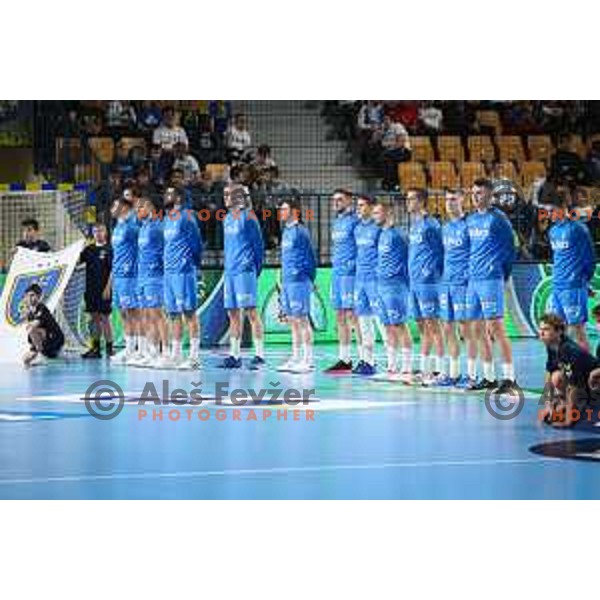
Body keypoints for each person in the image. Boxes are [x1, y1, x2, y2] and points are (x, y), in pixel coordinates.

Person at [465, 178, 517, 393]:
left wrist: (500, 275)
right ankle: (488, 376)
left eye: (479, 192)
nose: (475, 196)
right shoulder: (471, 219)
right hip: (473, 280)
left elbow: (510, 249)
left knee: (496, 327)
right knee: (476, 329)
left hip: (491, 279)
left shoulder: (498, 219)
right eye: (473, 192)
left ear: (489, 195)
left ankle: (509, 378)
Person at [221, 184, 265, 369]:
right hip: (230, 271)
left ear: (237, 196)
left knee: (251, 312)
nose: (225, 198)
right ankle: (235, 355)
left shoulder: (249, 217)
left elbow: (259, 246)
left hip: (244, 271)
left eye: (228, 194)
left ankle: (259, 355)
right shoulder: (227, 218)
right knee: (232, 313)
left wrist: (254, 269)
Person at [546, 187, 595, 351]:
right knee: (559, 332)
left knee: (578, 332)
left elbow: (589, 259)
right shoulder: (552, 231)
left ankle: (589, 373)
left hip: (573, 286)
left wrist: (583, 282)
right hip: (557, 287)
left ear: (562, 208)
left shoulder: (578, 229)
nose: (549, 214)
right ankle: (566, 370)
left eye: (551, 210)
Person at [406, 189, 445, 386]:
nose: (408, 202)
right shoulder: (414, 225)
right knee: (422, 326)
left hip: (428, 283)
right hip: (414, 282)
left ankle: (440, 370)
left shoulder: (431, 225)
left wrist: (431, 273)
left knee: (433, 325)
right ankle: (425, 367)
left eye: (411, 199)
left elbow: (440, 252)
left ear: (421, 202)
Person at [371, 200, 412, 380]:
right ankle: (392, 366)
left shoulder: (398, 235)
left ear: (388, 213)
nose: (374, 217)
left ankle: (407, 368)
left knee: (399, 325)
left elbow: (408, 259)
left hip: (395, 286)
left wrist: (402, 281)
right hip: (381, 285)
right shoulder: (381, 235)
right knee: (387, 326)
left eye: (377, 213)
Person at [439, 189, 476, 387]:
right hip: (446, 284)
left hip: (463, 285)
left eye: (453, 199)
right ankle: (453, 373)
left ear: (463, 201)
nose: (450, 203)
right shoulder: (445, 228)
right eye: (447, 199)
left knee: (466, 329)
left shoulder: (469, 226)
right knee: (447, 327)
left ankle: (470, 374)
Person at [163, 187, 203, 369]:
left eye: (169, 193)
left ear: (178, 198)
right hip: (169, 272)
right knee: (173, 314)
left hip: (184, 271)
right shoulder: (167, 218)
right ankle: (176, 354)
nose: (165, 196)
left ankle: (194, 357)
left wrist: (191, 264)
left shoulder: (187, 216)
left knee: (189, 313)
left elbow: (196, 243)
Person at [277, 198, 317, 373]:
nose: (281, 212)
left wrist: (307, 278)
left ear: (294, 211)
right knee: (292, 320)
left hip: (299, 281)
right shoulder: (285, 232)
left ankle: (308, 360)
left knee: (302, 319)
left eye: (284, 209)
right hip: (287, 281)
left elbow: (310, 257)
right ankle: (295, 357)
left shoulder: (301, 232)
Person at [539, 313, 600, 428]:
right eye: (541, 329)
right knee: (556, 376)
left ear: (559, 332)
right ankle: (569, 403)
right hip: (581, 381)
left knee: (562, 381)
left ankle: (584, 403)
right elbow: (549, 373)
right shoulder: (552, 345)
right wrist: (548, 405)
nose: (541, 333)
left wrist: (568, 420)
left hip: (593, 383)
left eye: (546, 329)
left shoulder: (568, 350)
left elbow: (573, 386)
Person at [324, 189, 360, 373]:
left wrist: (353, 265)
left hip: (350, 274)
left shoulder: (355, 221)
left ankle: (364, 358)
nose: (336, 203)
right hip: (337, 273)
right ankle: (344, 359)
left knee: (353, 316)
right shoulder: (337, 222)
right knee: (339, 315)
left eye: (340, 199)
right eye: (334, 200)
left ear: (349, 201)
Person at [135, 196, 168, 367]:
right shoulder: (143, 227)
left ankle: (166, 353)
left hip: (155, 277)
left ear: (150, 207)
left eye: (140, 207)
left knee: (158, 315)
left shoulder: (158, 228)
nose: (137, 210)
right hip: (142, 276)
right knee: (146, 316)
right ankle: (152, 351)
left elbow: (166, 252)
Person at [352, 195, 382, 376]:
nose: (358, 208)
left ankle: (394, 363)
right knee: (363, 322)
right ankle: (367, 361)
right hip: (360, 280)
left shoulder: (378, 229)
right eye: (357, 205)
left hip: (374, 281)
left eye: (362, 205)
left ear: (371, 208)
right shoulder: (357, 229)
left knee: (381, 320)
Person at [109, 194, 140, 364]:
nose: (112, 209)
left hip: (130, 275)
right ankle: (128, 349)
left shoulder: (132, 225)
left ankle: (139, 350)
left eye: (115, 206)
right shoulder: (118, 226)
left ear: (124, 208)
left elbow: (142, 247)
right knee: (123, 313)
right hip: (119, 275)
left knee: (133, 312)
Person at [80, 223, 113, 358]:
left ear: (105, 232)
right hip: (90, 290)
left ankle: (110, 348)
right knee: (93, 319)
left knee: (104, 318)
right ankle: (96, 348)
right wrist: (79, 248)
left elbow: (113, 271)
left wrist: (108, 288)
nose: (98, 233)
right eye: (95, 231)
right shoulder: (88, 250)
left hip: (103, 289)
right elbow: (77, 262)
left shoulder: (110, 249)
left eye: (100, 230)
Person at [22, 283, 65, 368]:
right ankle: (43, 354)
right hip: (43, 343)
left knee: (32, 329)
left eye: (32, 295)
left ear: (39, 296)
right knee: (25, 359)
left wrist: (27, 319)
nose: (29, 299)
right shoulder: (30, 313)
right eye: (27, 296)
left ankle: (43, 355)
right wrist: (33, 350)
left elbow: (34, 325)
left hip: (55, 340)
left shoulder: (42, 308)